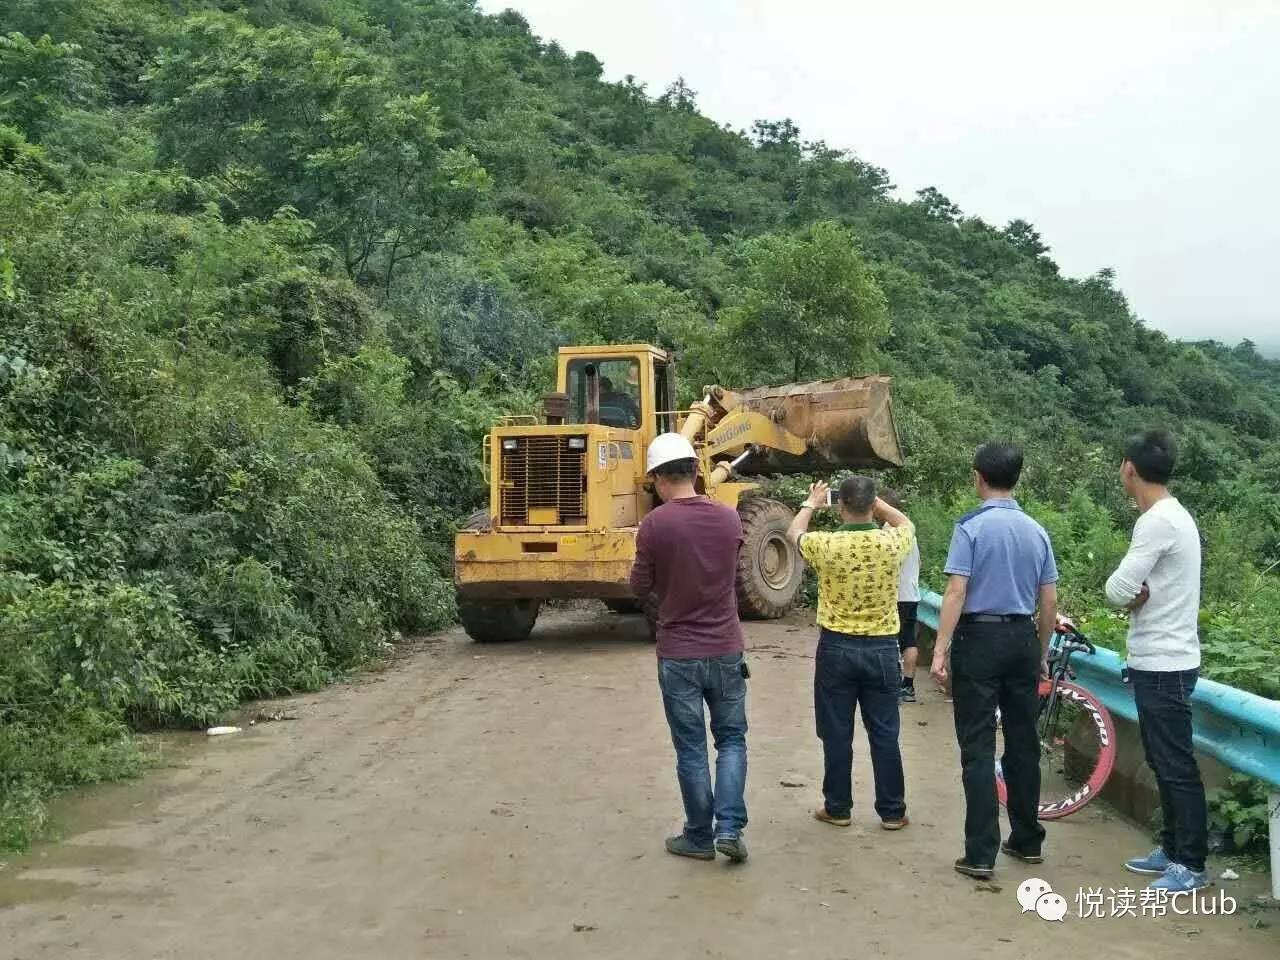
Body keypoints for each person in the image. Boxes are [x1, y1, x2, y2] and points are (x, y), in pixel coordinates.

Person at [929, 443, 1057, 880]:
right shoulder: (1036, 531)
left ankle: (981, 852)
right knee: (1022, 742)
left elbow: (956, 592)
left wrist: (941, 648)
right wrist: (1040, 653)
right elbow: (1049, 599)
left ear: (978, 476)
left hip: (980, 638)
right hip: (1022, 637)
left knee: (978, 745)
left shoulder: (970, 528)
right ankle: (1026, 840)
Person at [630, 432, 749, 863]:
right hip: (726, 648)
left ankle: (699, 836)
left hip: (679, 652)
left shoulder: (655, 525)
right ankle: (730, 828)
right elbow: (731, 578)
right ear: (697, 471)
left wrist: (668, 591)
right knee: (732, 740)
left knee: (692, 747)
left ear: (659, 478)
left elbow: (639, 586)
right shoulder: (729, 519)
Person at [1105, 429, 1208, 892]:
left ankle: (1191, 863)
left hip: (1165, 662)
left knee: (1174, 764)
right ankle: (1171, 849)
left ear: (1130, 467)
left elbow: (1116, 590)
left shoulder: (1157, 521)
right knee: (1164, 760)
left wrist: (1130, 597)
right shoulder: (1171, 515)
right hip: (1162, 659)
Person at [787, 476, 915, 832]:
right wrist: (878, 506)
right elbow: (906, 523)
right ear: (873, 505)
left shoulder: (826, 545)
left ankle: (838, 807)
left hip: (837, 648)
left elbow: (793, 532)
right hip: (882, 648)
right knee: (885, 732)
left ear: (840, 505)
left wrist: (812, 502)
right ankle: (892, 811)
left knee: (837, 732)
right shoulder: (892, 541)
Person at [880, 489, 921, 703]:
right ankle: (908, 686)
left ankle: (894, 687)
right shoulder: (909, 532)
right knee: (908, 640)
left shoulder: (889, 532)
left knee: (892, 641)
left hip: (895, 595)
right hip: (912, 594)